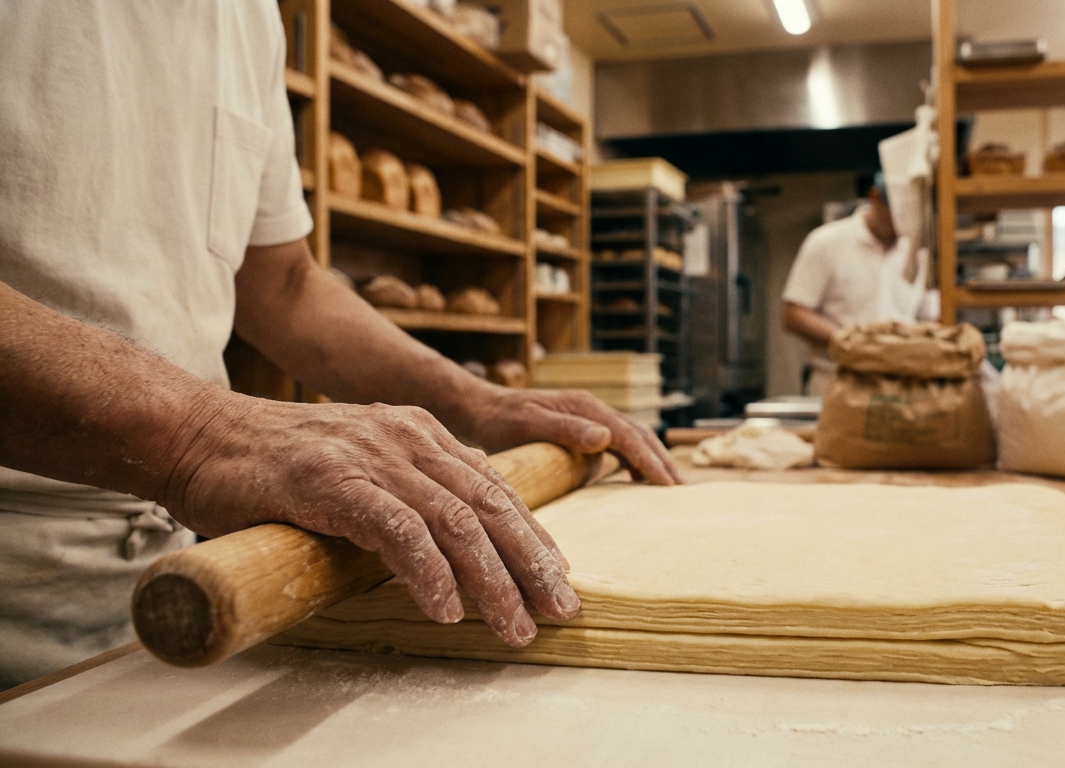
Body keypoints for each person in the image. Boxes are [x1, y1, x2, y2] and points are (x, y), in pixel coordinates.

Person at [0, 1, 679, 690]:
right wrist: (202, 437)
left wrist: (476, 402)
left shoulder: (250, 16)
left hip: (180, 580)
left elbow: (284, 282)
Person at [781, 173, 937, 396]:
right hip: (837, 385)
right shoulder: (826, 242)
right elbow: (793, 313)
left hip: (901, 388)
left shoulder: (918, 252)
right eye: (899, 216)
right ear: (875, 197)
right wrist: (850, 342)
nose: (903, 228)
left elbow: (930, 317)